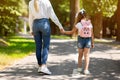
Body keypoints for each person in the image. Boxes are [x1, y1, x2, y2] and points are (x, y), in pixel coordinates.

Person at [29, 0, 64, 75]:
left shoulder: (31, 2)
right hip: (44, 24)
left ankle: (40, 66)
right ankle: (43, 66)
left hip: (35, 24)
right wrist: (60, 26)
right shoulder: (46, 1)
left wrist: (31, 29)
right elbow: (52, 15)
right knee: (45, 46)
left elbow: (30, 17)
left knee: (38, 46)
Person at [63, 9, 94, 75]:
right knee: (87, 55)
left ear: (79, 16)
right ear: (86, 16)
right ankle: (86, 70)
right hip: (88, 39)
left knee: (80, 55)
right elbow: (92, 34)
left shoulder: (78, 24)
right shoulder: (89, 23)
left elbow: (72, 32)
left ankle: (79, 69)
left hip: (80, 40)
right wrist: (92, 42)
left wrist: (64, 31)